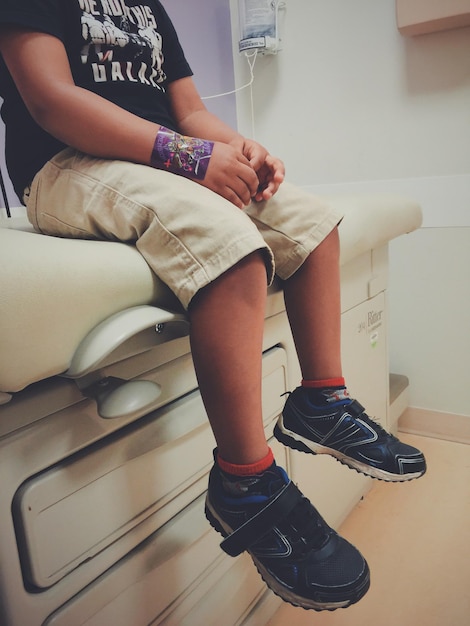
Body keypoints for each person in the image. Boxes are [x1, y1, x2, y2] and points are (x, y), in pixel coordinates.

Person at [0, 0, 426, 612]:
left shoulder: (147, 9)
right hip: (67, 164)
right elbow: (50, 99)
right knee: (232, 246)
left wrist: (242, 148)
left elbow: (192, 110)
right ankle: (245, 482)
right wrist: (189, 158)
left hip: (164, 159)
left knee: (312, 223)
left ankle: (321, 403)